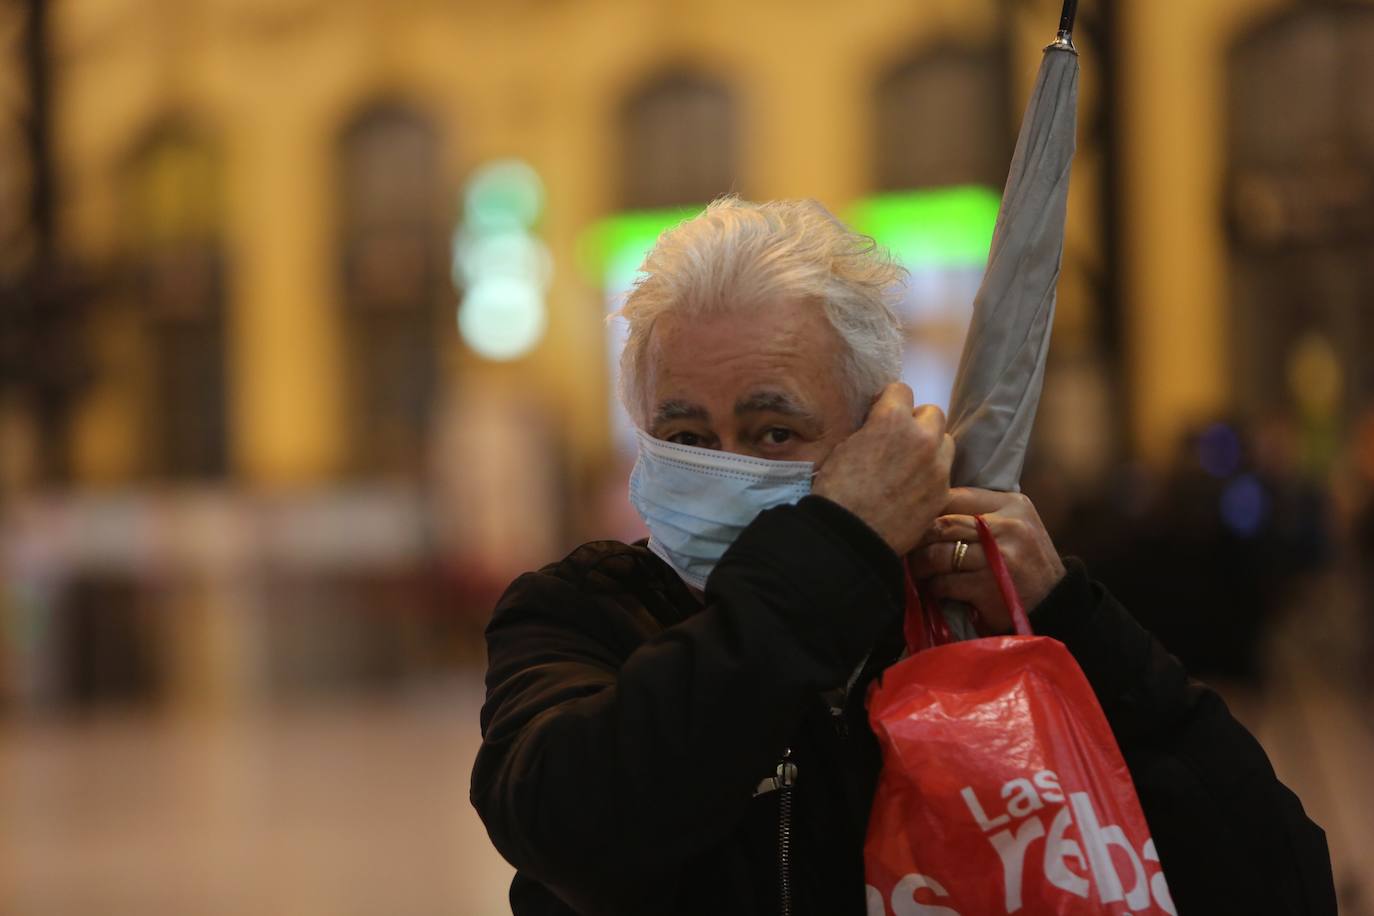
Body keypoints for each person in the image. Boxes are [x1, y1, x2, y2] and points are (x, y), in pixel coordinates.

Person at [470, 198, 1335, 915]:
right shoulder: (583, 613)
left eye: (773, 431)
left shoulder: (959, 622)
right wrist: (836, 547)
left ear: (874, 432)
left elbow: (1277, 881)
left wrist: (1072, 623)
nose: (727, 463)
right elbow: (574, 828)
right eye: (687, 434)